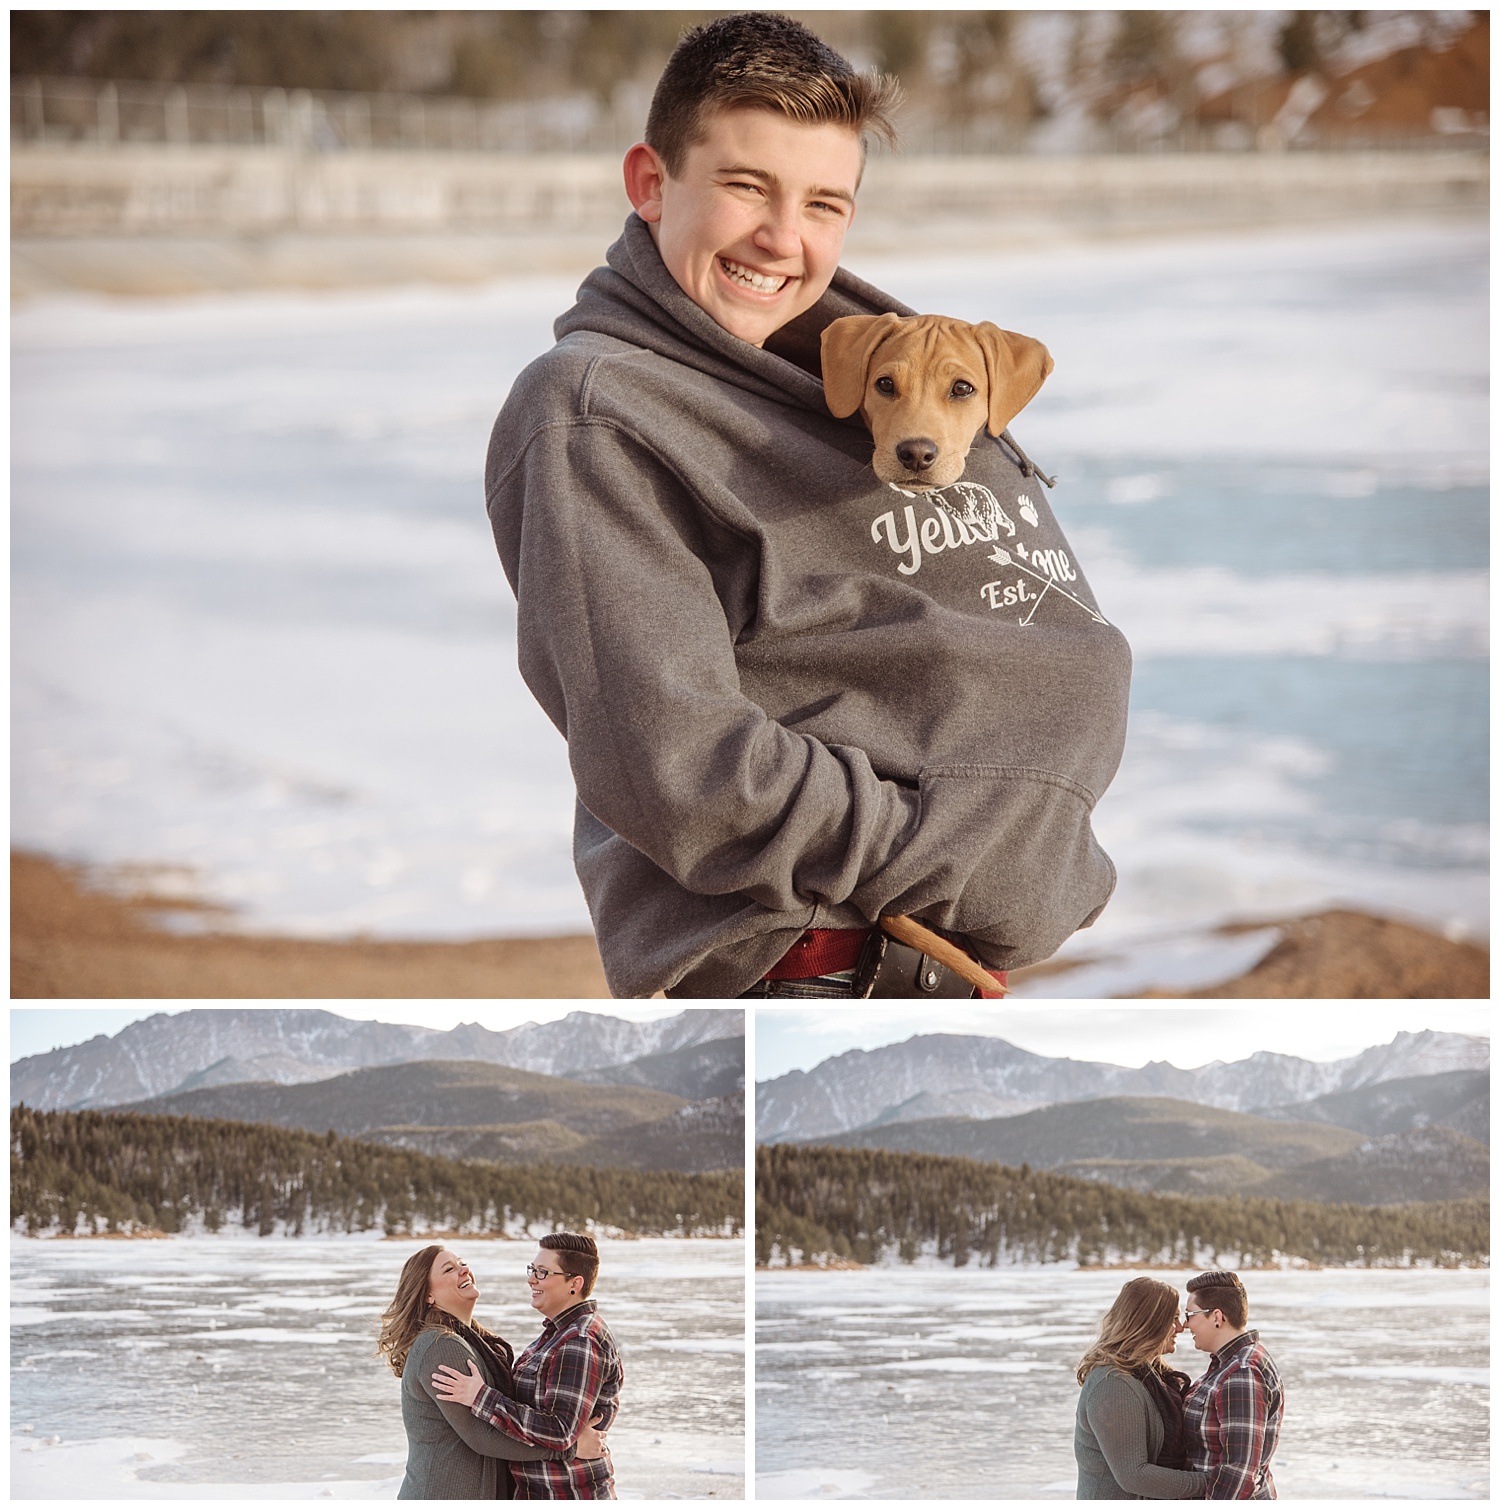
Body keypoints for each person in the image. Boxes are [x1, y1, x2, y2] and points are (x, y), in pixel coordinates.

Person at [485, 12, 1131, 998]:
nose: (783, 238)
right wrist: (959, 849)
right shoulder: (595, 412)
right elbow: (674, 762)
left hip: (943, 962)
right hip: (809, 973)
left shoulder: (876, 372)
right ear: (651, 184)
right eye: (747, 186)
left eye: (824, 202)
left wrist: (1042, 855)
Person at [376, 1245, 604, 1500]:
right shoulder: (441, 1347)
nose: (464, 1269)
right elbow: (483, 1435)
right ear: (428, 1295)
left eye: (462, 1262)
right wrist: (569, 1448)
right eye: (449, 1269)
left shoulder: (473, 1340)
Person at [433, 1233, 623, 1500]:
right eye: (532, 1269)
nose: (531, 1278)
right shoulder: (556, 1335)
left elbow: (561, 1432)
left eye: (543, 1272)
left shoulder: (579, 1340)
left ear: (574, 1284)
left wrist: (480, 1397)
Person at [1074, 1276, 1208, 1499]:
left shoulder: (1152, 1376)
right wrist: (1212, 1482)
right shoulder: (1113, 1384)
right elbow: (1135, 1476)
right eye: (1173, 1318)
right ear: (1149, 1322)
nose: (1180, 1327)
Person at [1182, 1270, 1284, 1499]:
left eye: (1190, 1315)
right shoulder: (1228, 1364)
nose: (1186, 1325)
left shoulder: (1242, 1373)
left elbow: (1239, 1470)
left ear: (1217, 1317)